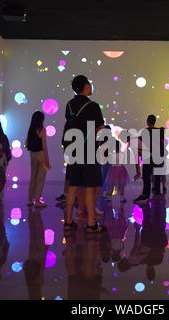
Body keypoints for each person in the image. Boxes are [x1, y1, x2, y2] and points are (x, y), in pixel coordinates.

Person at [63, 75, 107, 233]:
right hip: (88, 150)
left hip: (72, 150)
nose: (91, 86)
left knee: (73, 186)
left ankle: (68, 221)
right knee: (89, 187)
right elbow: (101, 130)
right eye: (89, 84)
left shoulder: (69, 105)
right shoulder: (93, 106)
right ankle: (91, 224)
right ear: (85, 86)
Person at [133, 115, 165, 204]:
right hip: (157, 157)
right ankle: (157, 197)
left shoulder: (145, 131)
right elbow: (162, 144)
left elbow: (140, 144)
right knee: (157, 177)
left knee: (146, 177)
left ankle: (145, 195)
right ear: (155, 121)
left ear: (147, 122)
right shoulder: (159, 131)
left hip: (148, 157)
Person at [26, 111, 51, 208]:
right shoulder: (42, 130)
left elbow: (27, 144)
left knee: (33, 177)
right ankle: (37, 200)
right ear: (41, 119)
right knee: (40, 178)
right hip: (41, 154)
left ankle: (29, 200)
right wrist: (47, 161)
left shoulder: (30, 130)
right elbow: (44, 146)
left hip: (32, 154)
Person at [105, 134, 130, 203]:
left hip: (113, 170)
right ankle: (122, 197)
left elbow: (111, 161)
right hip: (121, 169)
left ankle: (110, 196)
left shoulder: (112, 154)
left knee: (112, 184)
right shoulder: (122, 154)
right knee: (121, 184)